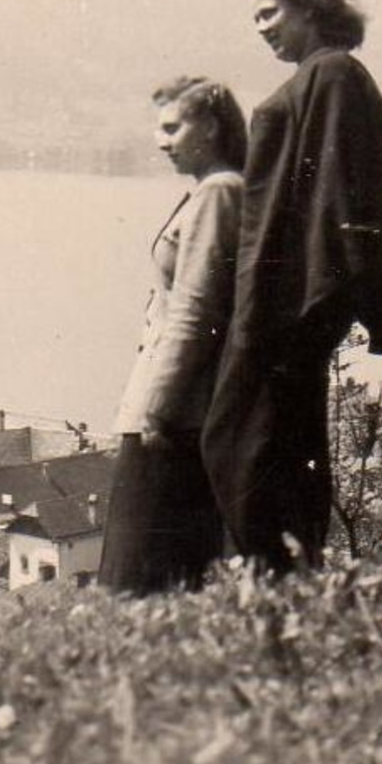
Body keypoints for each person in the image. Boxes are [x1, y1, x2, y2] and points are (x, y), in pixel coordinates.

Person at [201, 0, 382, 575]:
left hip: (286, 304)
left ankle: (278, 575)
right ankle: (288, 574)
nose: (261, 28)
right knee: (276, 441)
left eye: (270, 13)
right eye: (255, 18)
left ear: (310, 6)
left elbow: (338, 198)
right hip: (282, 300)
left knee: (241, 439)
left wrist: (315, 301)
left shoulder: (333, 74)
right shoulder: (321, 77)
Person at [100, 76, 248, 595]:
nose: (161, 141)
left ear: (210, 125)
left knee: (139, 571)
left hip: (176, 412)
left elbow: (196, 311)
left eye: (172, 127)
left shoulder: (218, 192)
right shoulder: (212, 190)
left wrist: (156, 407)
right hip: (184, 407)